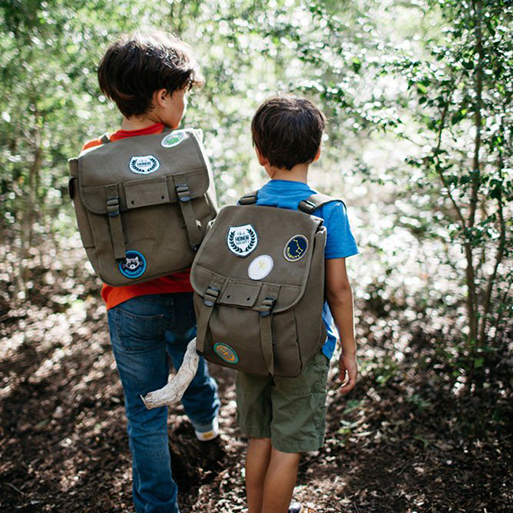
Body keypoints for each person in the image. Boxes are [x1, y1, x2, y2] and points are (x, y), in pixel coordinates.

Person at [79, 32, 220, 513]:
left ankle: (157, 507)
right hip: (187, 292)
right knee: (192, 366)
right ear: (161, 96)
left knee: (144, 414)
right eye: (182, 93)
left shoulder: (93, 155)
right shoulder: (184, 149)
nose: (184, 102)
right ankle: (207, 430)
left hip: (130, 300)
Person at [236, 96, 358, 513]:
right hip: (303, 347)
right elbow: (338, 290)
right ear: (317, 151)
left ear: (259, 153)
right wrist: (349, 349)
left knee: (260, 438)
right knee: (288, 447)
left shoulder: (245, 208)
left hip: (251, 342)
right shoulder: (328, 211)